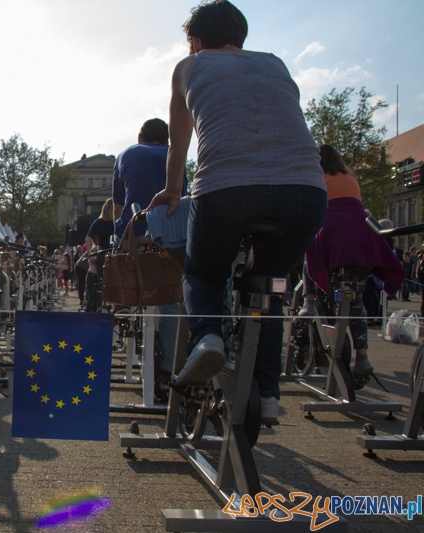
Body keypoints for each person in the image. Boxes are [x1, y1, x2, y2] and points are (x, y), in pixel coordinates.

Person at [146, 0, 328, 425]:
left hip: (228, 188)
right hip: (304, 191)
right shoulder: (276, 63)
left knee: (203, 273)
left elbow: (179, 143)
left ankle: (207, 339)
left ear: (194, 40)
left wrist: (173, 191)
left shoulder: (188, 68)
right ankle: (266, 395)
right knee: (268, 290)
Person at [300, 144, 404, 376]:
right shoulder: (351, 178)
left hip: (335, 234)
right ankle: (362, 357)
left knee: (310, 250)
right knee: (354, 300)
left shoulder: (318, 177)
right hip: (363, 237)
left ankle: (308, 300)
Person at [112, 118, 187, 387]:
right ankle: (167, 368)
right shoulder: (174, 156)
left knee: (120, 277)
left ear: (140, 138)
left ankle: (121, 308)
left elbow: (118, 209)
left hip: (134, 229)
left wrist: (116, 243)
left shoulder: (125, 155)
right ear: (166, 139)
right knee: (171, 299)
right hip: (169, 233)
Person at [85, 198, 115, 311]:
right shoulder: (117, 222)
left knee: (100, 284)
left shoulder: (98, 222)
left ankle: (99, 308)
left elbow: (87, 239)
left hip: (102, 255)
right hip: (115, 254)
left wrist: (90, 255)